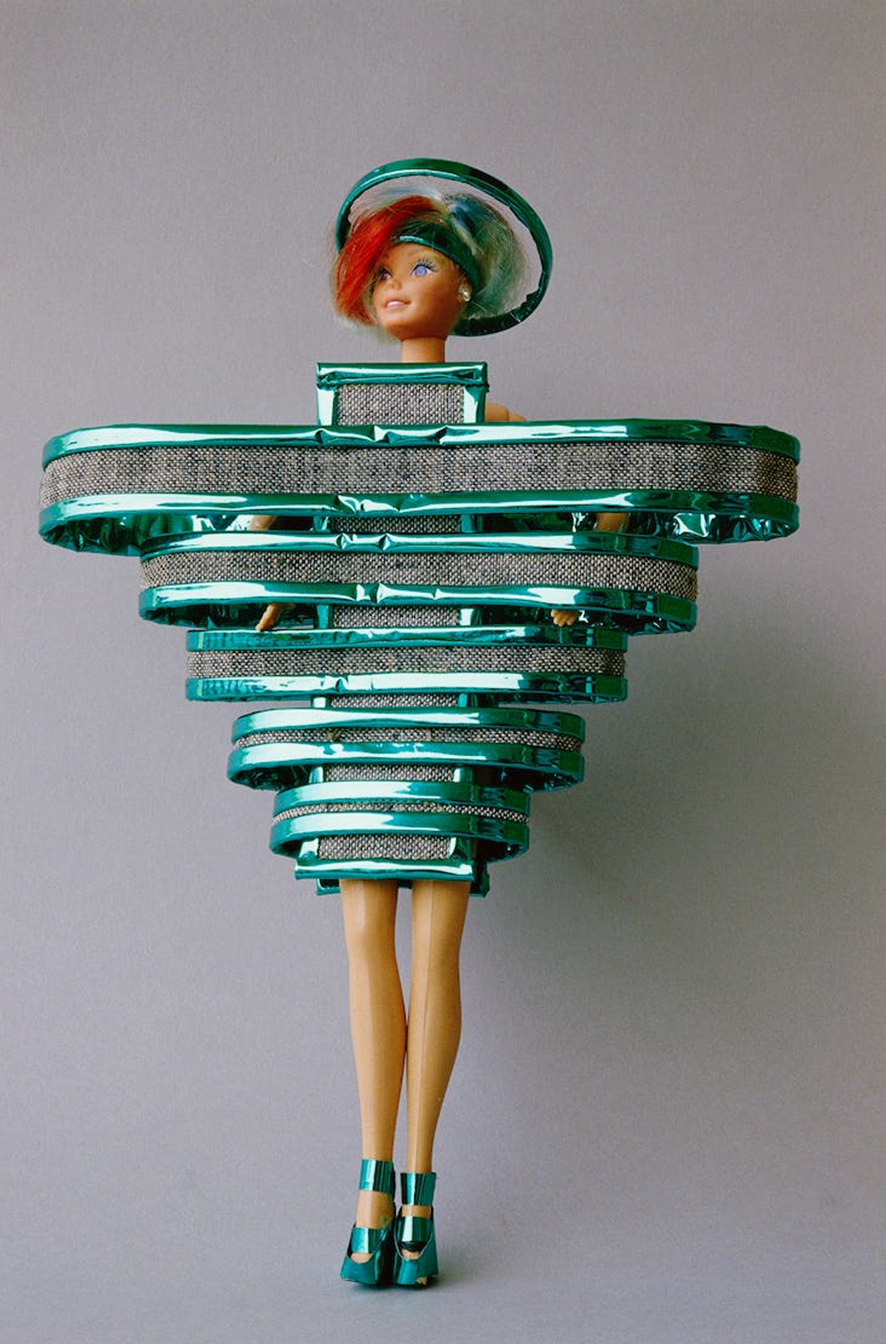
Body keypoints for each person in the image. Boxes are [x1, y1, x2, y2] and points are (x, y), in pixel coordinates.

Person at [257, 170, 627, 1286]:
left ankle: (414, 1179)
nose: (392, 287)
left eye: (416, 267)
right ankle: (373, 1179)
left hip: (454, 699)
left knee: (434, 940)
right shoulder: (338, 421)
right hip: (353, 698)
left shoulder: (495, 424)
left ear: (467, 288)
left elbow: (584, 501)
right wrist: (257, 564)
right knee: (365, 936)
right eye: (379, 271)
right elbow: (282, 507)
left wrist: (565, 582)